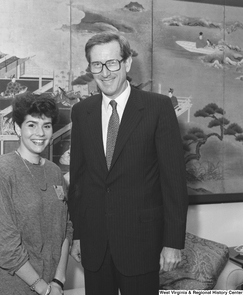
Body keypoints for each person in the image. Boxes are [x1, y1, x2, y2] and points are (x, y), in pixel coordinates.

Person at [67, 32, 188, 295]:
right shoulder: (82, 112)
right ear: (90, 68)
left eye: (112, 63)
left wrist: (173, 242)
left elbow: (174, 181)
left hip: (141, 246)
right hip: (95, 246)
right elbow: (78, 181)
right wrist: (77, 234)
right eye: (96, 65)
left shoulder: (158, 108)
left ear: (127, 63)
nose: (105, 72)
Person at [0, 92, 73, 295]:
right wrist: (41, 287)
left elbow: (65, 228)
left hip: (52, 286)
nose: (40, 133)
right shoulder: (1, 169)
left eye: (46, 126)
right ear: (17, 128)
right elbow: (2, 243)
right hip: (15, 287)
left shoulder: (54, 171)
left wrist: (58, 281)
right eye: (31, 125)